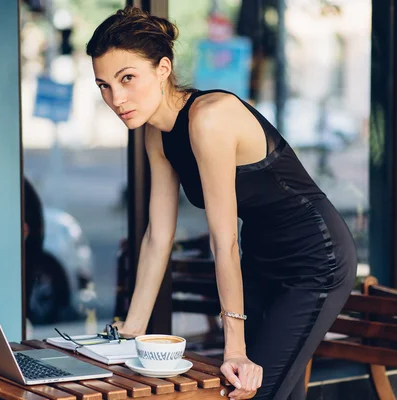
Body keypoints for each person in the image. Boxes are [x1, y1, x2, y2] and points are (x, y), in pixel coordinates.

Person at [85, 6, 357, 400]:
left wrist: (236, 349)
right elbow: (157, 237)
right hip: (262, 258)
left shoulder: (209, 118)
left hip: (316, 258)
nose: (116, 98)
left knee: (251, 389)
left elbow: (223, 241)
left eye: (127, 78)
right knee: (280, 389)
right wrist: (130, 331)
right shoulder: (156, 135)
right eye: (104, 86)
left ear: (163, 69)